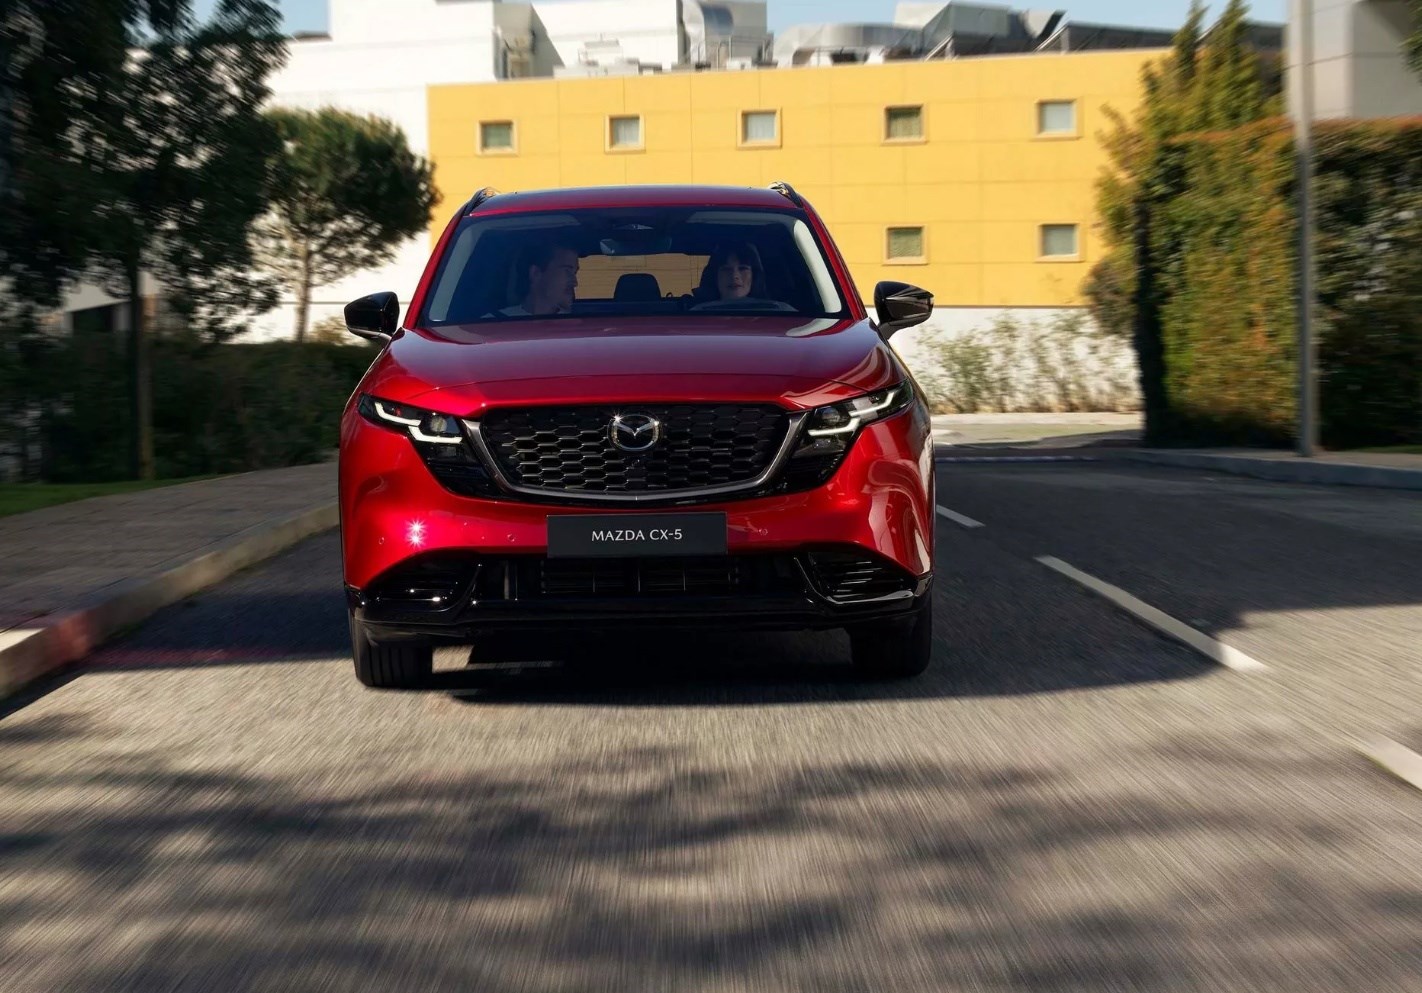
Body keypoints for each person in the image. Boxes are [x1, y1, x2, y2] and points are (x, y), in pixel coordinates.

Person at [498, 238, 580, 316]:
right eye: (567, 271)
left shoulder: (578, 323)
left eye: (574, 273)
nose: (575, 283)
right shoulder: (498, 322)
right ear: (535, 273)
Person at [698, 241, 768, 301]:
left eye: (742, 268)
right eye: (726, 269)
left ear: (754, 275)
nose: (734, 276)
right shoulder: (697, 311)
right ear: (715, 276)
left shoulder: (770, 310)